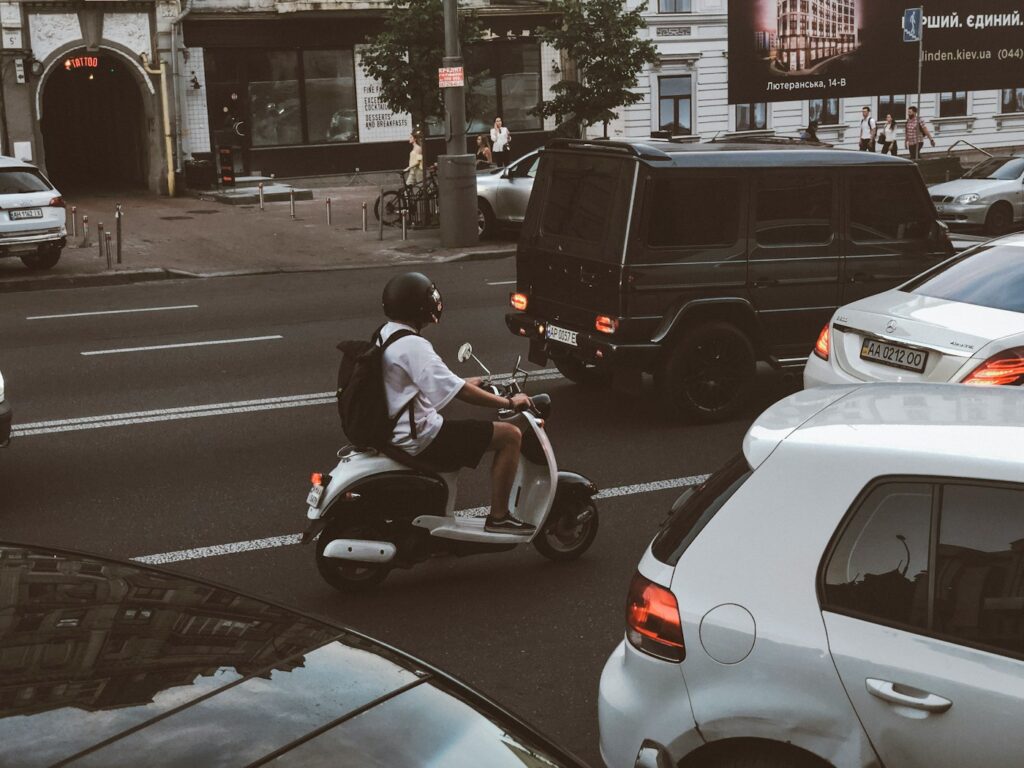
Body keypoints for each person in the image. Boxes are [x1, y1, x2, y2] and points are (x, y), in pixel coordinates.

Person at [379, 272, 535, 533]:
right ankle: (499, 517)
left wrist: (460, 382)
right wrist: (508, 402)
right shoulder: (414, 346)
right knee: (510, 435)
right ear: (417, 307)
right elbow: (462, 393)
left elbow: (424, 380)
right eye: (428, 298)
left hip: (397, 428)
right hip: (420, 437)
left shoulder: (386, 334)